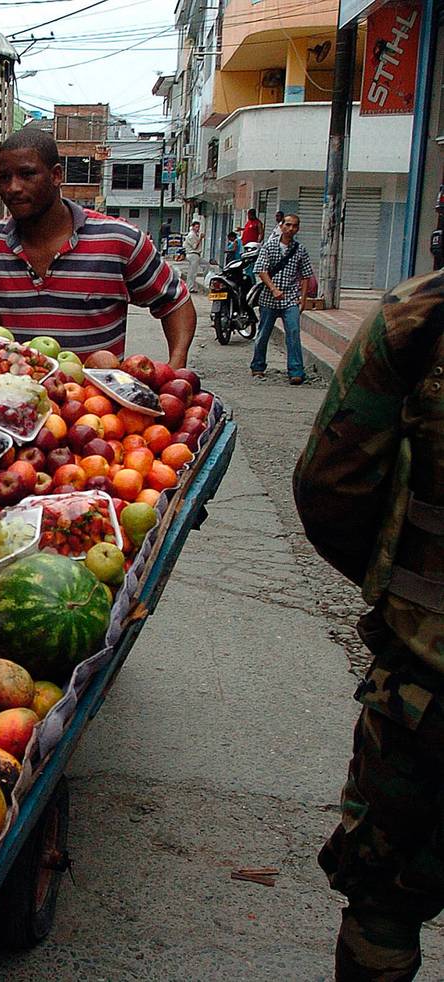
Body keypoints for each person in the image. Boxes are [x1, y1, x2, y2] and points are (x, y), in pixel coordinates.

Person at [294, 271, 444, 981]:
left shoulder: (421, 315)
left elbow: (334, 485)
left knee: (385, 900)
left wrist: (407, 601)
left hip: (428, 689)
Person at [0, 129, 196, 367]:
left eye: (27, 174)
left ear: (56, 175)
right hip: (15, 395)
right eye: (4, 177)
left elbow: (176, 302)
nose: (13, 188)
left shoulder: (119, 240)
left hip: (95, 400)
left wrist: (175, 369)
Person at [250, 213, 314, 384]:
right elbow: (261, 269)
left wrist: (303, 298)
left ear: (297, 228)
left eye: (294, 225)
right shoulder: (269, 247)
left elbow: (306, 275)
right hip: (269, 299)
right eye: (288, 225)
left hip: (290, 298)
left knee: (293, 332)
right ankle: (258, 366)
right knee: (263, 333)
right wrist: (273, 289)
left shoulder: (300, 250)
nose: (290, 228)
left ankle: (296, 370)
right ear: (281, 226)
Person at [183, 219, 204, 293]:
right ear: (193, 227)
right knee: (193, 272)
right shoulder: (192, 235)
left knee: (205, 265)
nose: (197, 229)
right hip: (193, 254)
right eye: (196, 227)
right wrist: (200, 239)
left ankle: (191, 286)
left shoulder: (195, 234)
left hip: (196, 255)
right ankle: (190, 287)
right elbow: (195, 246)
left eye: (198, 227)